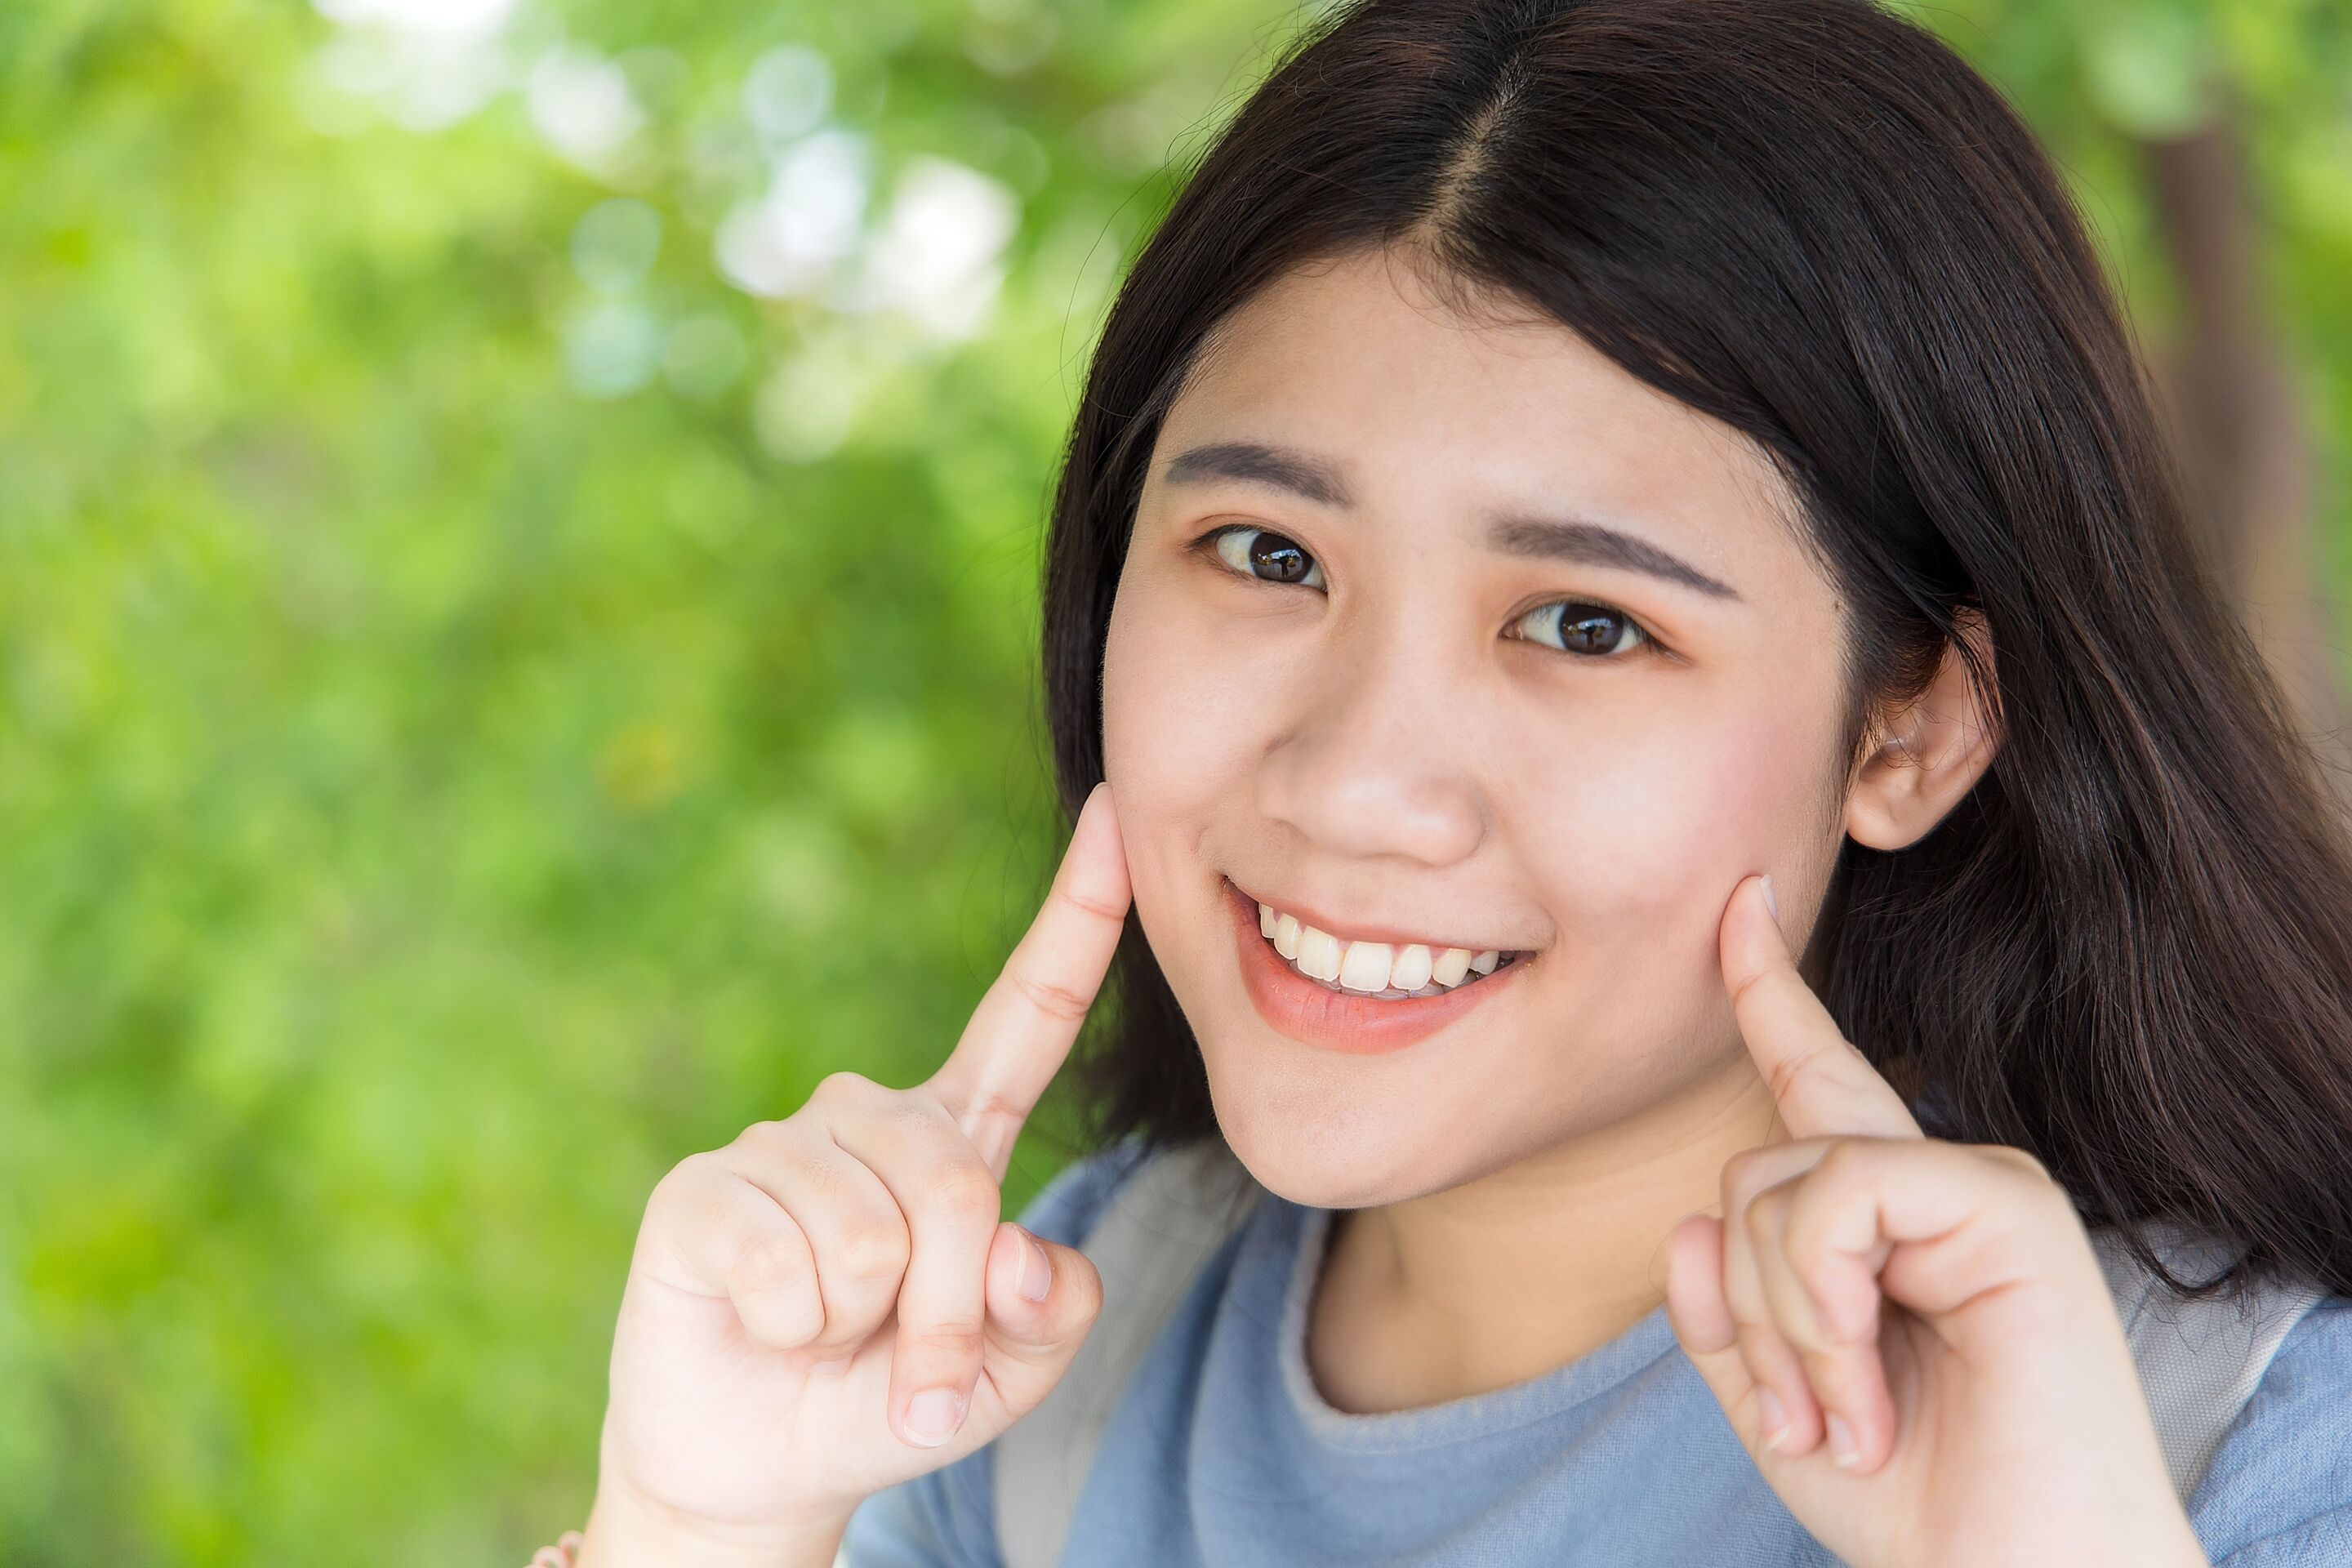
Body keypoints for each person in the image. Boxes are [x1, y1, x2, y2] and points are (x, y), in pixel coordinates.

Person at [543, 0, 2352, 1562]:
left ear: (1912, 731)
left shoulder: (2259, 1438)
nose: (1354, 786)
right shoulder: (1033, 1368)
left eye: (1582, 624)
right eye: (1265, 555)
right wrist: (700, 1534)